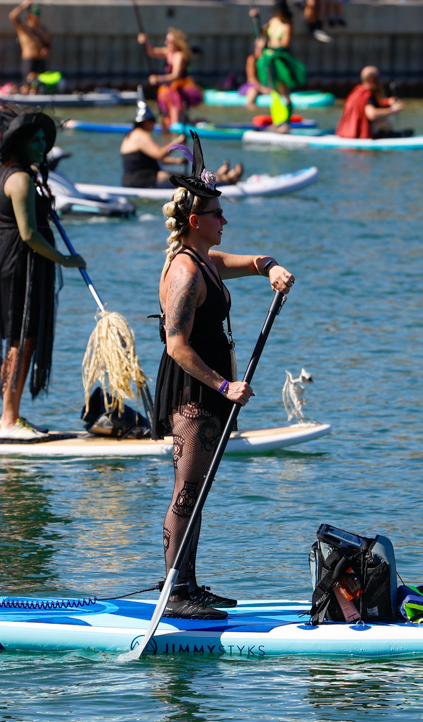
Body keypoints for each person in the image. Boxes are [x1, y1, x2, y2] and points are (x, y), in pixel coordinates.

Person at [151, 132, 295, 619]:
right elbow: (175, 345)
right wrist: (223, 385)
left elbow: (249, 263)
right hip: (195, 394)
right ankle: (175, 594)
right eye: (217, 214)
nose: (225, 220)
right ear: (196, 221)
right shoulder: (186, 273)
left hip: (211, 394)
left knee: (200, 489)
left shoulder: (205, 260)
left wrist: (270, 267)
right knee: (187, 489)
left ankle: (188, 583)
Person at [0, 109, 86, 439]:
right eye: (35, 140)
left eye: (43, 140)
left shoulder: (5, 175)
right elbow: (27, 234)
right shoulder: (19, 179)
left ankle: (12, 415)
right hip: (20, 262)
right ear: (20, 143)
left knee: (25, 340)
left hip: (10, 259)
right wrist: (65, 260)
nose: (42, 145)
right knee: (19, 341)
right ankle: (8, 421)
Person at [121, 90, 242, 189]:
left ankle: (220, 175)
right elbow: (158, 154)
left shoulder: (131, 135)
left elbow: (149, 159)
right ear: (145, 121)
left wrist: (176, 161)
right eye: (153, 120)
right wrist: (178, 141)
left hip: (133, 180)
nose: (154, 123)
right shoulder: (141, 135)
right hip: (145, 180)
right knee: (194, 179)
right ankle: (228, 179)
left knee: (191, 176)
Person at [250, 0, 308, 125]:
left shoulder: (287, 25)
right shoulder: (273, 21)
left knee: (284, 91)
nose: (275, 12)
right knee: (273, 90)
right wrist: (256, 18)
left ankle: (286, 123)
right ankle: (278, 121)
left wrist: (265, 45)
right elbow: (261, 33)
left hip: (279, 60)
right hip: (268, 59)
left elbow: (285, 44)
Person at [138, 28, 203, 132]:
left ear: (176, 42)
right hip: (167, 90)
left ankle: (179, 133)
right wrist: (145, 42)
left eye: (168, 41)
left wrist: (158, 78)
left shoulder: (179, 56)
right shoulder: (168, 52)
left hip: (177, 90)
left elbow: (175, 76)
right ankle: (168, 137)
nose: (166, 43)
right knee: (165, 119)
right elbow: (152, 52)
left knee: (175, 121)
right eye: (166, 40)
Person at [335, 66, 408, 139]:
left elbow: (366, 106)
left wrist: (388, 101)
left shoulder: (356, 91)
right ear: (371, 79)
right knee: (384, 121)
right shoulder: (367, 95)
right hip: (358, 134)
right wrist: (393, 110)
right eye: (379, 78)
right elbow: (371, 114)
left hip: (345, 132)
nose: (380, 81)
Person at [10, 1, 51, 94]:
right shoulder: (23, 27)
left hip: (40, 61)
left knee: (39, 87)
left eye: (38, 14)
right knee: (27, 86)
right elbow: (12, 16)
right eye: (35, 14)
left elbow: (48, 43)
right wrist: (23, 6)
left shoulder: (42, 29)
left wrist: (46, 50)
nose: (37, 17)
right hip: (29, 60)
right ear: (29, 15)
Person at [239, 36, 272, 110]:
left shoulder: (268, 60)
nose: (261, 51)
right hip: (253, 86)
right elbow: (251, 79)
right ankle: (250, 105)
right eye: (259, 48)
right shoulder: (252, 59)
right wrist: (262, 89)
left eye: (263, 49)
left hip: (265, 85)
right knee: (253, 91)